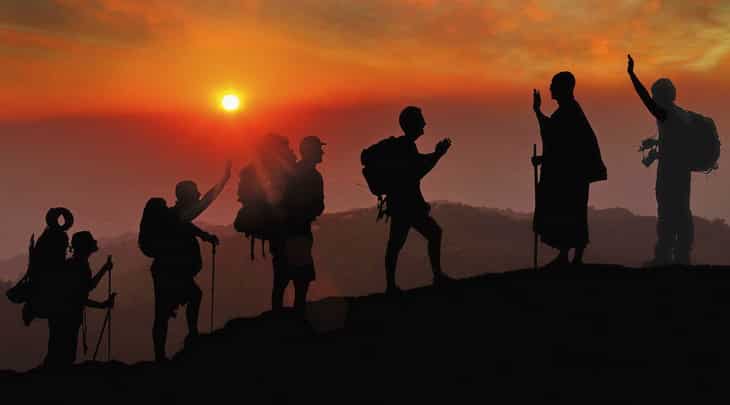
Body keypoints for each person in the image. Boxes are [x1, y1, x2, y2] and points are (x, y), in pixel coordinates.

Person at [151, 162, 231, 362]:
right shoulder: (179, 215)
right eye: (194, 193)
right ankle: (183, 341)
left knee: (167, 309)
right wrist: (224, 180)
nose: (198, 195)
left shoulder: (176, 215)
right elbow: (206, 202)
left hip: (166, 270)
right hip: (170, 271)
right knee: (176, 305)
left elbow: (188, 228)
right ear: (187, 196)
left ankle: (163, 353)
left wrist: (205, 236)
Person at [532, 71, 607, 267]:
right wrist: (538, 112)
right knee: (568, 211)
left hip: (573, 175)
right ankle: (565, 255)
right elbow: (557, 141)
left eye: (553, 84)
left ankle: (575, 257)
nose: (550, 88)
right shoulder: (568, 111)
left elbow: (563, 144)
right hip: (571, 174)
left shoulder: (570, 112)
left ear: (563, 88)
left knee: (573, 211)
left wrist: (538, 112)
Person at [627, 54, 694, 265]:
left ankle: (664, 255)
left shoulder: (664, 113)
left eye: (655, 95)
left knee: (666, 211)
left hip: (669, 172)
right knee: (682, 210)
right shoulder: (682, 114)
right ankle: (682, 255)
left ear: (660, 96)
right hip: (683, 171)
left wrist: (632, 74)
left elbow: (643, 97)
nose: (653, 100)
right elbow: (677, 143)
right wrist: (657, 146)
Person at [384, 106, 454, 295]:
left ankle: (391, 286)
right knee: (432, 233)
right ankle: (437, 276)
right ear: (413, 124)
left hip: (400, 204)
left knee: (396, 244)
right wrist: (438, 154)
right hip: (407, 205)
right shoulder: (406, 147)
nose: (424, 123)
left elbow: (417, 165)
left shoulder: (404, 146)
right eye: (421, 120)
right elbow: (418, 170)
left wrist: (437, 154)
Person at [43, 231, 115, 368]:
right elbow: (80, 297)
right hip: (67, 317)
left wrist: (104, 269)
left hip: (59, 316)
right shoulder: (80, 267)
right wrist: (102, 305)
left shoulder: (72, 264)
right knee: (65, 355)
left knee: (56, 353)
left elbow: (86, 288)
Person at [280, 136, 326, 317]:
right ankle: (298, 314)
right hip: (299, 230)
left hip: (289, 230)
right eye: (319, 149)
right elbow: (318, 205)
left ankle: (282, 314)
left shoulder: (292, 171)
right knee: (301, 276)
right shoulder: (313, 176)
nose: (322, 152)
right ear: (311, 151)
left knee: (285, 276)